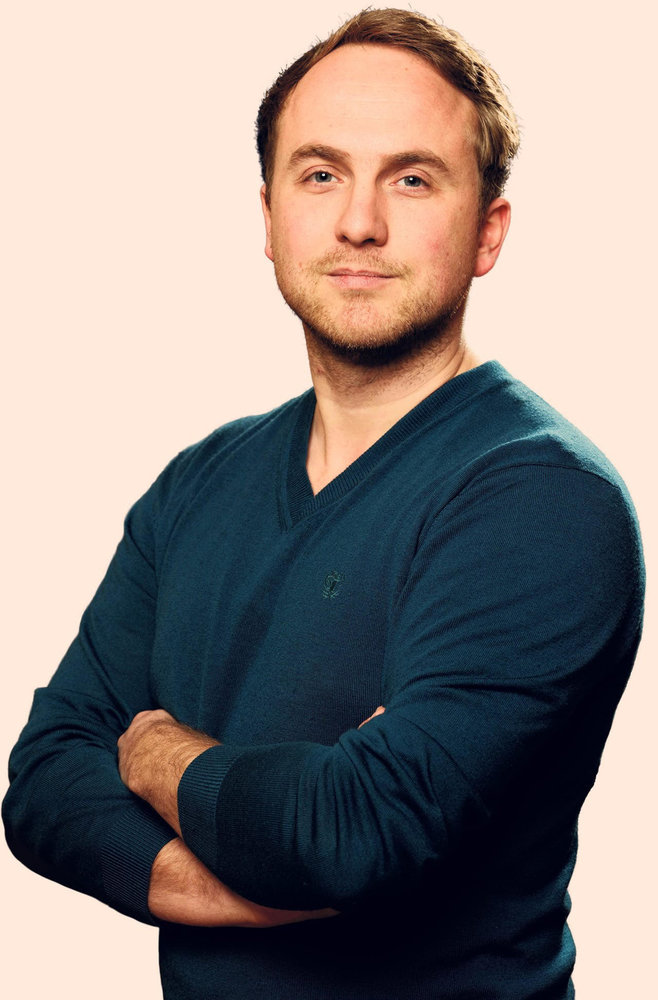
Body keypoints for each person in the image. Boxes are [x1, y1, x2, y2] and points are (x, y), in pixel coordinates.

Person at [3, 8, 644, 1000]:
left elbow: (348, 833)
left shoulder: (544, 499)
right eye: (320, 174)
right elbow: (44, 780)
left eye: (412, 178)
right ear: (268, 217)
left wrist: (155, 751)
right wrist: (222, 878)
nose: (359, 223)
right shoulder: (197, 484)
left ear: (488, 231)